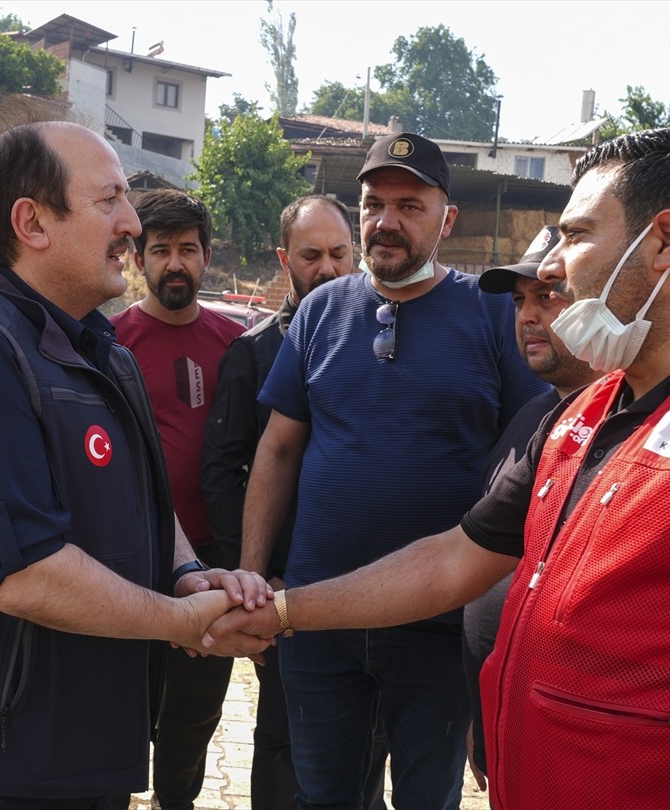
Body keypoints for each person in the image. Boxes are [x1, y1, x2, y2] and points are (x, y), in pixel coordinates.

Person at [208, 127, 670, 809]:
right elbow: (451, 563)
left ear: (665, 244)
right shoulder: (581, 414)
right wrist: (280, 610)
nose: (552, 266)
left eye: (579, 236)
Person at [0, 121, 269, 809]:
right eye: (109, 199)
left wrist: (187, 573)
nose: (131, 224)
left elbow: (145, 498)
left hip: (83, 750)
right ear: (32, 223)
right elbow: (22, 572)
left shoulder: (101, 349)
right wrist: (180, 621)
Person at [239, 132, 550, 809]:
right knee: (323, 796)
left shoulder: (494, 312)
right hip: (320, 618)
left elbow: (534, 449)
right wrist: (257, 576)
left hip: (439, 623)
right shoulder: (322, 310)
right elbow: (278, 449)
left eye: (409, 205)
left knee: (427, 799)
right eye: (374, 204)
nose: (386, 221)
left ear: (448, 219)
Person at [202, 194, 388, 810]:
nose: (329, 269)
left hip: (370, 585)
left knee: (367, 742)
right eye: (312, 256)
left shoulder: (384, 341)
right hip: (283, 589)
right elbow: (225, 476)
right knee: (286, 741)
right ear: (285, 259)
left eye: (341, 253)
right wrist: (255, 578)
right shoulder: (253, 353)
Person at [109, 189, 245, 810]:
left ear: (207, 257)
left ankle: (178, 801)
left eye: (187, 250)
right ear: (139, 258)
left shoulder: (234, 343)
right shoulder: (109, 344)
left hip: (211, 563)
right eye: (160, 250)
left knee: (194, 712)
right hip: (129, 560)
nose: (175, 264)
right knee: (125, 704)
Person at [462, 224, 598, 790]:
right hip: (503, 729)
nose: (526, 316)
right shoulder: (534, 417)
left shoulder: (637, 430)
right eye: (520, 301)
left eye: (548, 296)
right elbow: (473, 561)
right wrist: (478, 712)